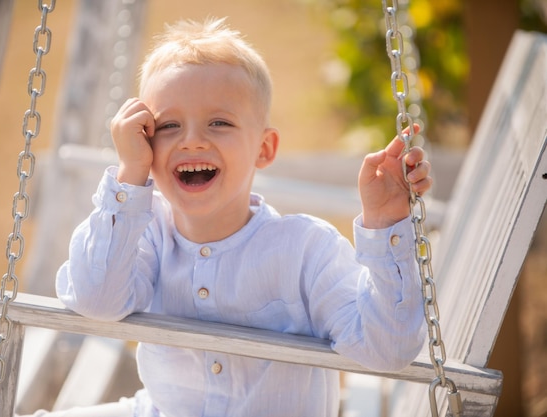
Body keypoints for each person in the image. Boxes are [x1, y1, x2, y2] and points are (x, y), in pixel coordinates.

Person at [34, 17, 432, 417]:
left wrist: (385, 224)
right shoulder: (147, 235)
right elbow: (95, 300)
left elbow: (388, 349)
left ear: (264, 148)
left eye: (219, 122)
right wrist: (130, 173)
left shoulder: (306, 250)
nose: (192, 139)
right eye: (168, 125)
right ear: (146, 143)